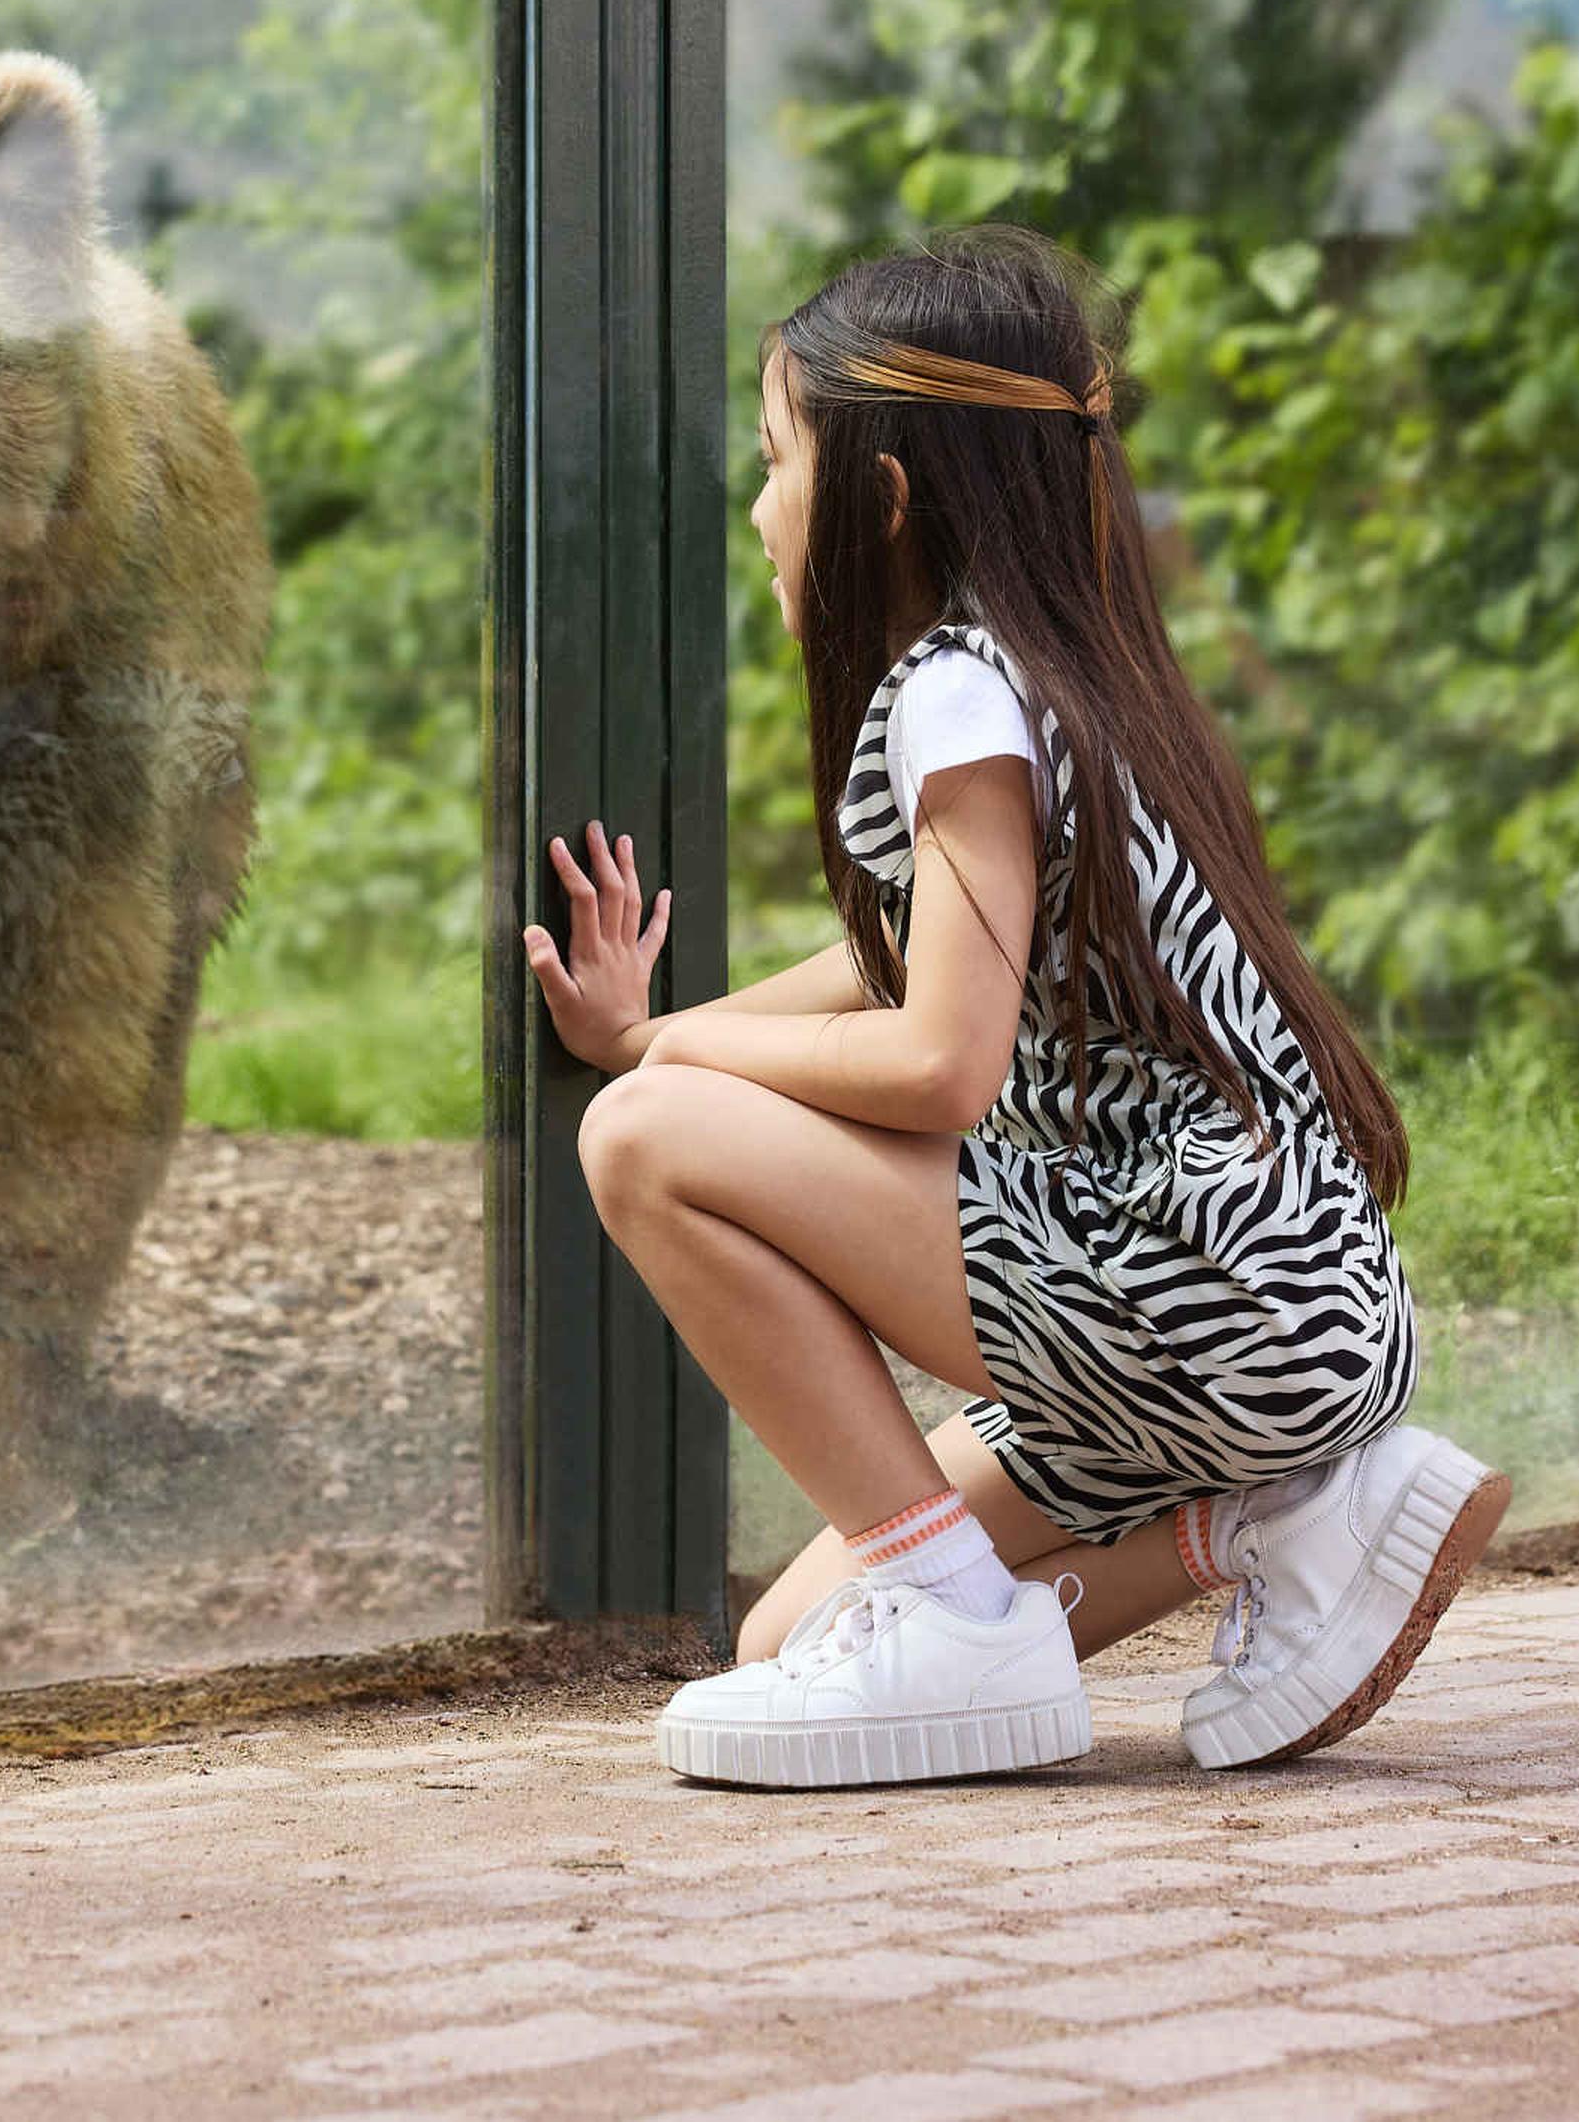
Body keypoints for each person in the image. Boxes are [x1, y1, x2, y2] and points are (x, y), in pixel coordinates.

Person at [522, 225, 1507, 1787]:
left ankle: (964, 1614)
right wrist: (658, 1019)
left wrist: (657, 1051)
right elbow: (919, 963)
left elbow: (936, 1056)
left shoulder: (954, 693)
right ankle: (1261, 1522)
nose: (761, 508)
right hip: (1271, 1314)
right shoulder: (1073, 680)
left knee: (645, 1139)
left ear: (886, 498)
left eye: (777, 461)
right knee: (784, 1647)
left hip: (1197, 1290)